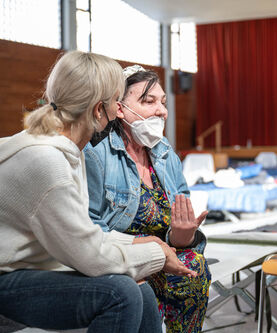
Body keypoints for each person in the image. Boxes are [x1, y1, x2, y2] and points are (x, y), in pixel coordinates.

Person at [0, 51, 197, 333]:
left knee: (139, 290)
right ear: (97, 110)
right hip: (8, 277)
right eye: (117, 103)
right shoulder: (48, 162)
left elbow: (85, 233)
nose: (119, 112)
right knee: (121, 293)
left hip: (32, 268)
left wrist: (142, 245)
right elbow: (90, 256)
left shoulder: (68, 150)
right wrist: (156, 254)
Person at [84, 65, 210, 332]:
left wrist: (182, 235)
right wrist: (146, 244)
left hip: (166, 253)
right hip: (122, 257)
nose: (162, 111)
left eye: (163, 102)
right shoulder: (96, 155)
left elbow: (179, 237)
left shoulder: (164, 152)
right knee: (150, 288)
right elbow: (88, 228)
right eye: (149, 101)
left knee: (195, 268)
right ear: (119, 108)